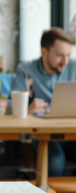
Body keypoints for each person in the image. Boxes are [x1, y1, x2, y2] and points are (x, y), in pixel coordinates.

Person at [12, 27, 76, 176]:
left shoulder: (73, 67)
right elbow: (13, 106)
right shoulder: (26, 71)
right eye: (60, 56)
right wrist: (27, 108)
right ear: (44, 52)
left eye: (68, 55)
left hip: (71, 131)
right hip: (43, 133)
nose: (65, 62)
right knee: (55, 160)